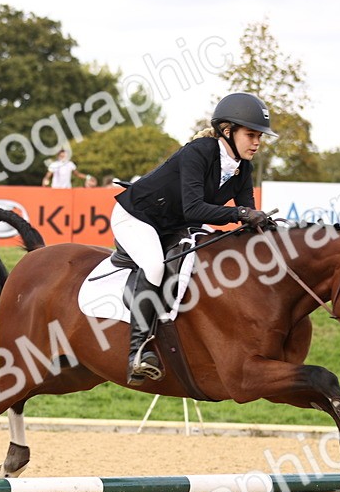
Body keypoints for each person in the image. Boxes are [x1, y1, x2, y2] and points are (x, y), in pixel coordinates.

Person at [112, 92, 276, 385]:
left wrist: (267, 227)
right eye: (251, 135)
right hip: (138, 217)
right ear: (228, 131)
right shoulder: (198, 152)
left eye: (259, 136)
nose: (257, 142)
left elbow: (246, 214)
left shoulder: (243, 167)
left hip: (174, 225)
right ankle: (137, 352)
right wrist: (241, 213)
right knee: (154, 266)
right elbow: (195, 208)